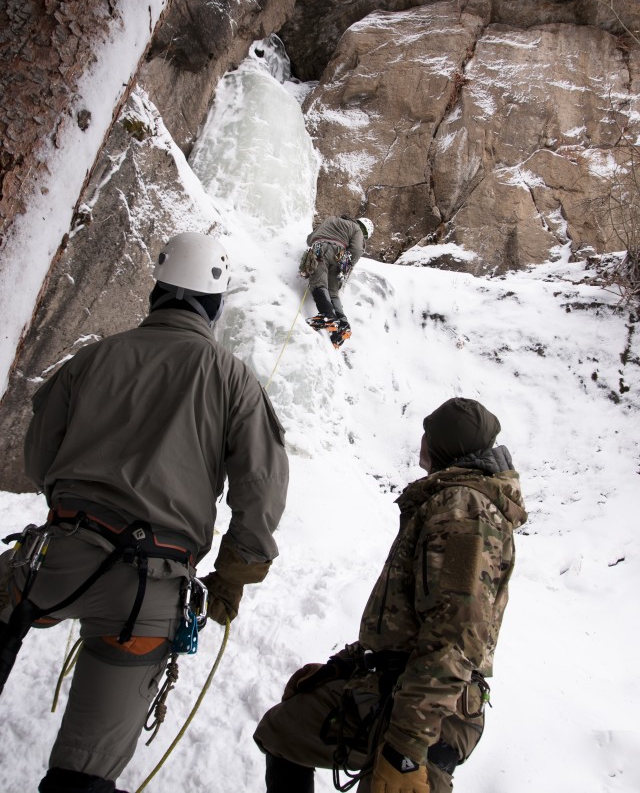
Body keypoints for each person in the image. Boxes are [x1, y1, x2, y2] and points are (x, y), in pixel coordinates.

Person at [0, 231, 289, 793]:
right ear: (214, 306)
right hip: (148, 591)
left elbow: (39, 457)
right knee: (81, 775)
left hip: (54, 559)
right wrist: (230, 578)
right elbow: (261, 487)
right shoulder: (232, 377)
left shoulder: (93, 357)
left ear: (157, 292)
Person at [254, 397, 527, 793]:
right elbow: (404, 622)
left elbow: (454, 633)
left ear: (443, 445)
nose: (421, 443)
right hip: (390, 688)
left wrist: (405, 748)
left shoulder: (463, 514)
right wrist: (342, 665)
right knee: (284, 732)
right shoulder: (452, 503)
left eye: (428, 435)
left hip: (427, 714)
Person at [303, 214, 374, 348]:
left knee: (318, 282)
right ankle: (342, 326)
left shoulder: (331, 219)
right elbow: (357, 249)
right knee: (333, 292)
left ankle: (327, 315)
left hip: (320, 248)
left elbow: (310, 239)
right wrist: (346, 265)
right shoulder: (356, 230)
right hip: (339, 255)